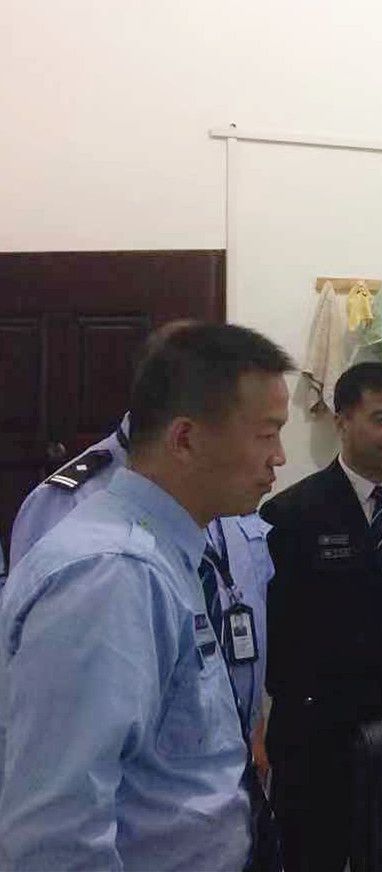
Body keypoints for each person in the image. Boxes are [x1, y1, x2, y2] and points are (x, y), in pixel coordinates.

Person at [0, 323, 292, 869]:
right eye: (266, 434)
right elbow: (57, 837)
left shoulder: (167, 549)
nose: (279, 457)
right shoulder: (111, 574)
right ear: (185, 439)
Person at [261, 361, 382, 872]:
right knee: (311, 854)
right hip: (316, 726)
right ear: (341, 421)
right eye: (381, 419)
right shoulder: (291, 513)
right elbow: (278, 627)